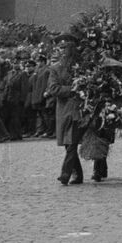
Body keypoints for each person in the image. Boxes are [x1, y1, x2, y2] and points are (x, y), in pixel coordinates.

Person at [47, 34, 84, 185]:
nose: (62, 51)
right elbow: (53, 88)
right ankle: (78, 174)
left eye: (65, 48)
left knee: (72, 142)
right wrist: (72, 89)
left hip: (78, 109)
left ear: (72, 48)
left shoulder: (81, 66)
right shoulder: (55, 68)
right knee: (69, 144)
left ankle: (65, 173)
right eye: (60, 48)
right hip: (63, 110)